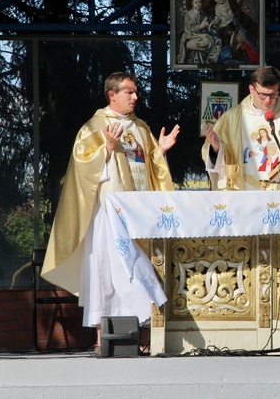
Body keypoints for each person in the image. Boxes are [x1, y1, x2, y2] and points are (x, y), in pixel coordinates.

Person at [41, 72, 180, 353]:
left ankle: (142, 338)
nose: (135, 97)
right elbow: (81, 168)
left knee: (139, 270)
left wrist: (160, 153)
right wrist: (107, 149)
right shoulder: (94, 126)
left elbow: (149, 168)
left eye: (136, 91)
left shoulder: (140, 127)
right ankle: (102, 337)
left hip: (139, 214)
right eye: (129, 92)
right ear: (112, 95)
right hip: (108, 214)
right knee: (104, 272)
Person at [202, 65, 280, 190]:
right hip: (243, 191)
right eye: (263, 95)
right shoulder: (231, 118)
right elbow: (213, 156)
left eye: (274, 94)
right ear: (251, 89)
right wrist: (216, 149)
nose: (268, 100)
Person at [202, 0, 259, 65]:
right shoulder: (206, 14)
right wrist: (231, 48)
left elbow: (254, 48)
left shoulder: (241, 17)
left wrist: (242, 43)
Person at [176, 0, 218, 65]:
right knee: (207, 42)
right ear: (191, 3)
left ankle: (211, 59)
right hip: (190, 36)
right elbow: (189, 28)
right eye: (196, 2)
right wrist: (200, 26)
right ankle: (188, 46)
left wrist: (211, 24)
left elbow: (206, 28)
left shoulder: (203, 14)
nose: (198, 4)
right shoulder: (188, 15)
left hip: (200, 36)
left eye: (200, 2)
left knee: (213, 40)